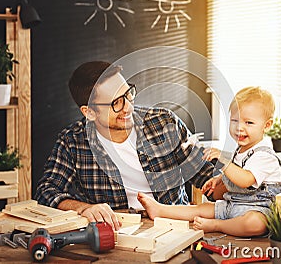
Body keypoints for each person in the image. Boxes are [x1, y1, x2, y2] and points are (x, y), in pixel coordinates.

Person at [34, 61, 214, 230]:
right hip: (117, 235)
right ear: (89, 112)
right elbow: (46, 191)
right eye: (116, 103)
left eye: (128, 94)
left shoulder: (164, 123)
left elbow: (207, 176)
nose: (128, 107)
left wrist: (235, 181)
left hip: (175, 227)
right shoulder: (73, 141)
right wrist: (84, 208)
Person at [138, 86, 281, 237]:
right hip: (235, 204)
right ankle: (161, 210)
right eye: (235, 120)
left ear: (267, 125)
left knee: (254, 223)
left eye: (249, 123)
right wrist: (218, 179)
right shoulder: (241, 150)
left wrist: (223, 162)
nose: (239, 127)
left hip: (259, 208)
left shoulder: (264, 156)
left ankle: (217, 225)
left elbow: (245, 180)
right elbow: (237, 172)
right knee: (202, 208)